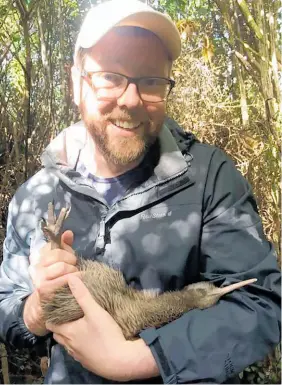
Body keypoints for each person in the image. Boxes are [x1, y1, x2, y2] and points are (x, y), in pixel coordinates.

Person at [0, 0, 280, 383]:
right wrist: (35, 310)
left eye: (150, 80)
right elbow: (7, 310)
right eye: (110, 77)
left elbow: (261, 304)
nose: (131, 100)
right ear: (76, 83)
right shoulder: (35, 197)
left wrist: (141, 359)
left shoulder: (211, 179)